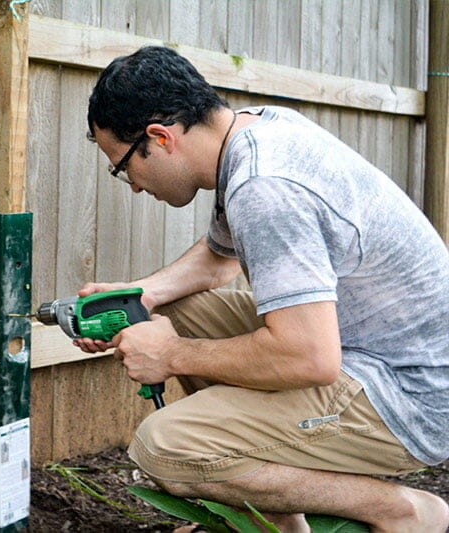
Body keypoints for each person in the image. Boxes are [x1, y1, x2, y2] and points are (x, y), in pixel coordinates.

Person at [79, 45, 449, 532]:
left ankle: (403, 513)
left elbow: (309, 358)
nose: (130, 184)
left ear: (160, 137)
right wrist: (143, 294)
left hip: (408, 396)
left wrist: (171, 354)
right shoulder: (259, 131)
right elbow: (217, 261)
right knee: (182, 306)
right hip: (371, 349)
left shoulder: (264, 187)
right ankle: (279, 521)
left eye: (122, 165)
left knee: (165, 446)